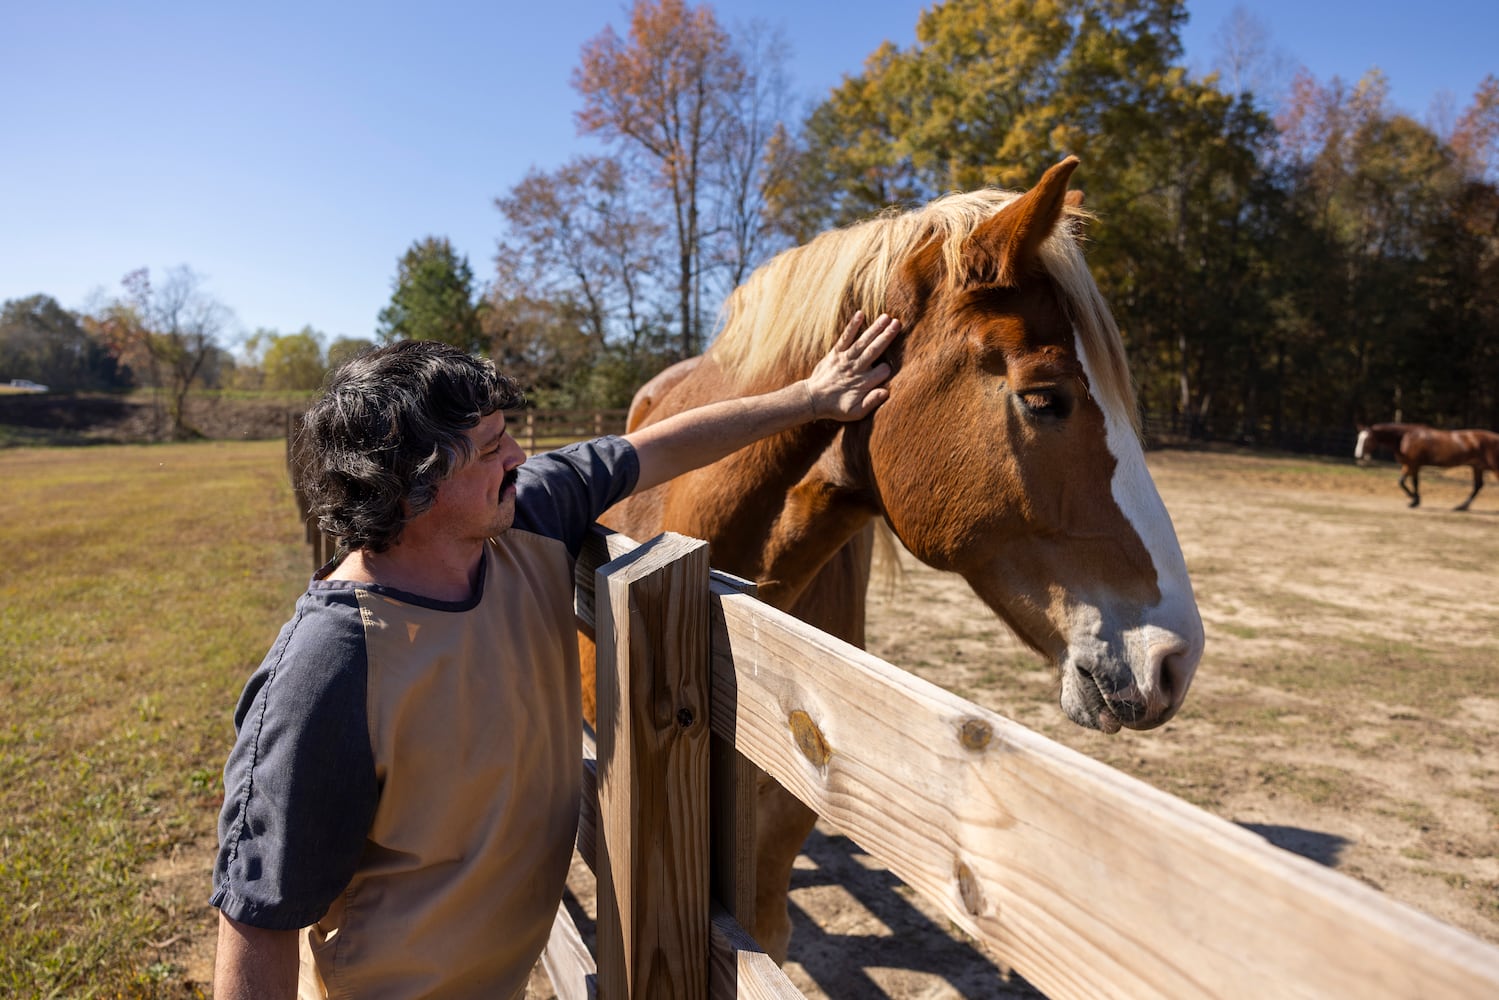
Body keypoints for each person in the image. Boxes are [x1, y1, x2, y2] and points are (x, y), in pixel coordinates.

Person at [209, 311, 901, 999]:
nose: (517, 457)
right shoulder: (328, 670)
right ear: (413, 483)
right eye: (490, 449)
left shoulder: (528, 517)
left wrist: (809, 398)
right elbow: (257, 919)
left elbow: (658, 447)